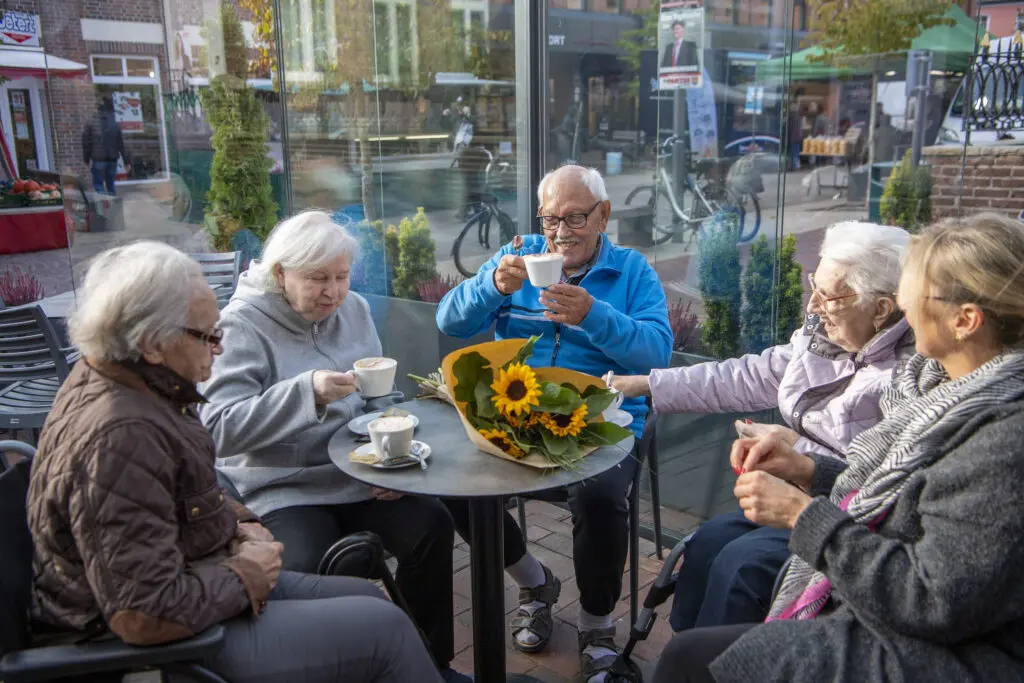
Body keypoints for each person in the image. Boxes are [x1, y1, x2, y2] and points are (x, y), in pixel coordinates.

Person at [27, 242, 442, 683]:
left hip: (199, 572)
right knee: (386, 630)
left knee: (371, 599)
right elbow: (142, 615)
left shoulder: (137, 383)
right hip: (149, 649)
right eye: (208, 336)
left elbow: (194, 487)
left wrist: (242, 524)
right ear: (151, 343)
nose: (220, 349)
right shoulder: (120, 436)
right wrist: (245, 574)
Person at [651, 212, 1024, 683]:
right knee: (707, 569)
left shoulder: (1002, 440)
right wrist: (809, 471)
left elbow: (932, 600)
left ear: (965, 320)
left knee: (703, 642)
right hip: (863, 545)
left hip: (933, 646)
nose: (905, 312)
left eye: (912, 295)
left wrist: (802, 512)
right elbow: (890, 484)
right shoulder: (935, 384)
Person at [199, 212, 469, 683]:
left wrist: (392, 460)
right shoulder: (241, 326)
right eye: (318, 278)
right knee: (299, 567)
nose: (333, 292)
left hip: (359, 475)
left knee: (431, 524)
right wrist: (307, 393)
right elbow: (218, 427)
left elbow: (380, 398)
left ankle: (430, 663)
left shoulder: (355, 310)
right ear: (281, 273)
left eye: (342, 277)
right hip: (284, 488)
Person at [614, 222, 914, 632]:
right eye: (814, 286)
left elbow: (888, 480)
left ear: (880, 308)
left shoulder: (908, 377)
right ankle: (688, 651)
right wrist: (648, 385)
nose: (812, 306)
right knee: (707, 544)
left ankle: (720, 664)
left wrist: (797, 451)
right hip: (796, 488)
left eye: (828, 296)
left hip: (847, 518)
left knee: (741, 569)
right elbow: (749, 376)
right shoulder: (828, 336)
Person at [437, 164, 673, 682]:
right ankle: (534, 580)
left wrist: (593, 314)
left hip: (602, 421)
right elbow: (450, 322)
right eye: (550, 220)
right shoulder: (516, 256)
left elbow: (657, 352)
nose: (560, 232)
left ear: (603, 215)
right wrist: (492, 286)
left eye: (574, 218)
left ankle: (596, 624)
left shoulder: (631, 271)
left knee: (600, 496)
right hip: (520, 417)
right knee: (449, 480)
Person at [81, 95, 128, 195]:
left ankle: (103, 208)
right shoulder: (114, 123)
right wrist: (126, 161)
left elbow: (86, 143)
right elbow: (120, 143)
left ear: (97, 109)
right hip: (112, 160)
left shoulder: (90, 122)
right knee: (111, 186)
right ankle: (113, 208)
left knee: (98, 186)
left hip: (98, 160)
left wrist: (86, 159)